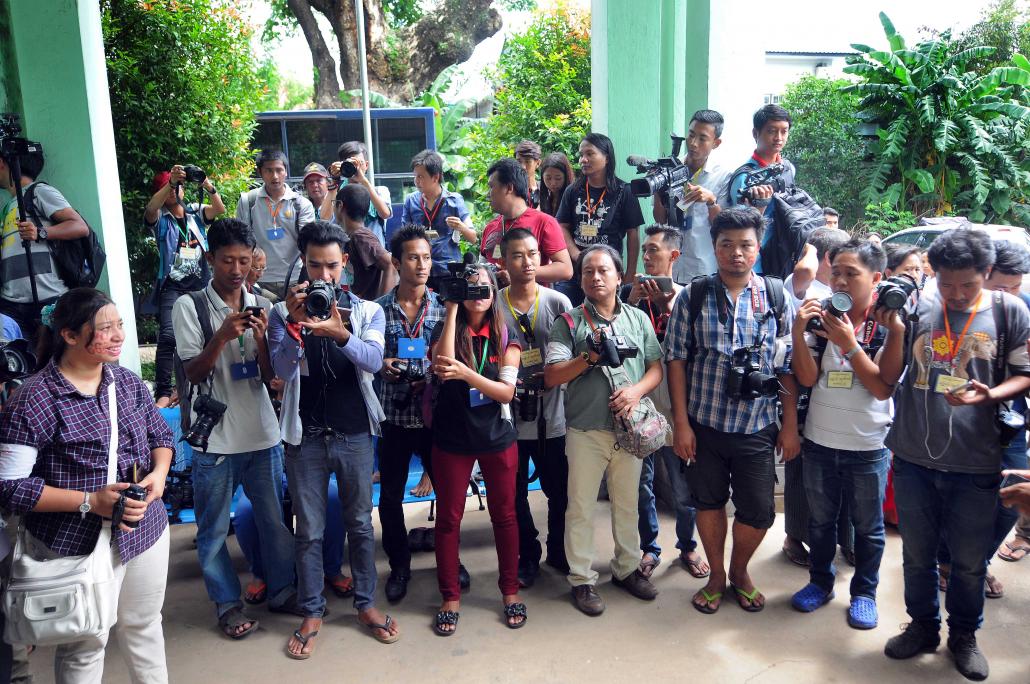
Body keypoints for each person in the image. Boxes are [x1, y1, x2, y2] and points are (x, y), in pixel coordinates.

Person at [0, 288, 173, 682]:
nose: (117, 336)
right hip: (71, 541)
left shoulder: (126, 384)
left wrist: (157, 477)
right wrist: (89, 501)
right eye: (104, 328)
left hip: (144, 530)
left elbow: (161, 438)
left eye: (119, 326)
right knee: (85, 641)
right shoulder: (36, 399)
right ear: (70, 335)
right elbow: (10, 487)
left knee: (144, 625)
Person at [881, 228, 1030, 681]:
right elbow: (889, 376)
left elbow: (1025, 374)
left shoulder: (1010, 312)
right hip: (913, 456)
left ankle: (964, 635)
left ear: (986, 273)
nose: (957, 293)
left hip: (977, 461)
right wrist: (892, 332)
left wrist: (990, 394)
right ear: (933, 273)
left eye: (968, 283)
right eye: (946, 283)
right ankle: (923, 627)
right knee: (916, 555)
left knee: (968, 562)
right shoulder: (917, 305)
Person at [268, 220, 399, 658]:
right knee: (309, 532)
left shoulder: (367, 311)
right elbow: (281, 373)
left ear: (345, 263)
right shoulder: (281, 312)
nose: (322, 277)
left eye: (331, 267)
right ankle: (311, 611)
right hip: (304, 438)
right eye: (314, 266)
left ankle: (365, 604)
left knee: (361, 525)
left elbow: (375, 360)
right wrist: (292, 324)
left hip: (356, 434)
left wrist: (341, 334)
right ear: (302, 263)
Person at [665, 206, 801, 615]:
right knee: (707, 502)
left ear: (758, 248)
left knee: (759, 511)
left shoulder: (777, 297)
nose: (736, 253)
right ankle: (717, 575)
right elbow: (675, 360)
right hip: (704, 424)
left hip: (757, 425)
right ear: (715, 247)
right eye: (727, 245)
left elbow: (788, 365)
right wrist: (681, 425)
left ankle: (740, 570)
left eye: (745, 245)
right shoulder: (694, 295)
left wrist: (790, 425)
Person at [172, 218, 296, 640]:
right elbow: (192, 370)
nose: (237, 269)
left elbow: (272, 378)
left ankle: (282, 591)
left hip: (263, 434)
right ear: (210, 259)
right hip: (215, 440)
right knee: (210, 530)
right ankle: (227, 604)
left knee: (274, 522)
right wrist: (222, 336)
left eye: (245, 260)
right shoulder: (188, 306)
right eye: (228, 260)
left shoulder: (263, 302)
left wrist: (261, 341)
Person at [544, 244, 664, 615]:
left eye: (603, 271)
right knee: (580, 507)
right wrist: (588, 357)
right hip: (585, 431)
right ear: (580, 279)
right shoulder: (568, 323)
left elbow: (656, 368)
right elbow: (551, 376)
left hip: (629, 430)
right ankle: (581, 580)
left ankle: (627, 569)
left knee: (627, 505)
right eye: (588, 272)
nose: (595, 277)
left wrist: (636, 391)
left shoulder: (638, 319)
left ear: (618, 276)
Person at [790, 239, 902, 629]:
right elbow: (805, 378)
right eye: (835, 271)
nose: (839, 280)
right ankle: (820, 584)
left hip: (869, 446)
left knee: (868, 530)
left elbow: (883, 387)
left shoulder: (890, 324)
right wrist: (798, 329)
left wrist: (850, 344)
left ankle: (864, 594)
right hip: (821, 440)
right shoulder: (820, 317)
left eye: (850, 274)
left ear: (877, 278)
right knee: (820, 523)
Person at [428, 264, 526, 635]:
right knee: (449, 520)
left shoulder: (505, 332)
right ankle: (450, 596)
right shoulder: (449, 325)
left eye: (485, 287)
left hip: (497, 436)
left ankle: (510, 591)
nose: (479, 294)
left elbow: (506, 392)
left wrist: (467, 374)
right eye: (471, 288)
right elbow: (441, 365)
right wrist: (452, 307)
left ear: (495, 290)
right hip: (452, 437)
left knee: (505, 516)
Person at [937, 240, 1030, 596]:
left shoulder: (1020, 310)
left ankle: (976, 564)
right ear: (984, 276)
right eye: (1001, 288)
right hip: (960, 423)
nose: (1010, 295)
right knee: (954, 499)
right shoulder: (950, 310)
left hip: (1010, 423)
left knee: (1009, 499)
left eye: (1016, 287)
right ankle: (947, 563)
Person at [621, 225, 709, 581]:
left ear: (674, 256)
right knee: (642, 486)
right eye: (644, 250)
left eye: (654, 250)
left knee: (683, 487)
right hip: (640, 405)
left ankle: (688, 546)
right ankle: (649, 548)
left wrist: (667, 305)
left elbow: (697, 345)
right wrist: (634, 302)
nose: (646, 256)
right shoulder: (631, 296)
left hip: (677, 408)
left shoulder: (691, 297)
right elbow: (619, 337)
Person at [498, 228, 573, 587]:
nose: (527, 263)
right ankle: (528, 555)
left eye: (532, 254)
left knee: (560, 492)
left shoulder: (558, 304)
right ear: (503, 260)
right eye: (517, 255)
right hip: (508, 421)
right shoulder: (494, 304)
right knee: (512, 497)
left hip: (553, 419)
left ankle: (558, 549)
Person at [375, 224, 445, 602]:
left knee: (448, 495)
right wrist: (383, 363)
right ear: (396, 262)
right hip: (393, 419)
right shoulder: (377, 310)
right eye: (414, 257)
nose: (422, 265)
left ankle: (450, 561)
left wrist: (431, 375)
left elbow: (454, 356)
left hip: (434, 418)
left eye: (427, 257)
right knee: (389, 499)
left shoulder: (443, 307)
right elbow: (366, 359)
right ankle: (399, 566)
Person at [781, 226, 851, 568]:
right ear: (826, 259)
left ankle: (847, 541)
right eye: (837, 268)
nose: (843, 279)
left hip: (846, 400)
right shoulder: (806, 291)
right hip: (805, 392)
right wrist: (811, 243)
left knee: (842, 476)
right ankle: (794, 536)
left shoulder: (857, 296)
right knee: (800, 472)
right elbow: (804, 270)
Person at [145, 165, 223, 407]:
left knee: (205, 335)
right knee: (168, 336)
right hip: (173, 285)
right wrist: (169, 183)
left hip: (200, 282)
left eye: (176, 187)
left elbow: (219, 209)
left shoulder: (194, 213)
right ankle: (163, 392)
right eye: (166, 188)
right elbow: (150, 209)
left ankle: (194, 386)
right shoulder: (161, 219)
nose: (172, 192)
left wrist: (207, 185)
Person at [0, 145, 89, 342]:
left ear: (2, 163)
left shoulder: (38, 191)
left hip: (47, 299)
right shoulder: (8, 206)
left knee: (48, 363)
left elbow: (79, 226)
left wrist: (40, 232)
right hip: (11, 303)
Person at [556, 133, 645, 306]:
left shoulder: (624, 191)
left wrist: (630, 272)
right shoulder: (573, 190)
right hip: (575, 271)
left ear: (606, 158)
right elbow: (561, 225)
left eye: (590, 154)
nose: (583, 159)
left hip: (606, 271)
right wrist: (575, 253)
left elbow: (633, 234)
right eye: (581, 155)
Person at [652, 109, 731, 285]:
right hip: (671, 266)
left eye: (702, 138)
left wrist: (711, 201)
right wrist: (658, 190)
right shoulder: (669, 170)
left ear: (716, 143)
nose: (694, 143)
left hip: (703, 268)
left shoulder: (723, 176)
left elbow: (723, 227)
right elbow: (660, 220)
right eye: (691, 135)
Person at [480, 158, 573, 287]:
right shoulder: (490, 227)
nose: (487, 194)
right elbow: (482, 266)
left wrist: (519, 273)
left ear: (509, 188)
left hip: (532, 304)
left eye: (491, 187)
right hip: (495, 304)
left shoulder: (544, 222)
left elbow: (565, 269)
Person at [235, 149, 316, 296]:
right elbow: (240, 240)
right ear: (260, 172)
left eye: (279, 170)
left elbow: (309, 244)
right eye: (269, 171)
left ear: (286, 171)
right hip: (258, 278)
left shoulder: (301, 204)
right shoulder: (248, 201)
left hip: (294, 278)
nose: (275, 176)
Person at [400, 149, 477, 288]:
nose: (416, 181)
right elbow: (404, 236)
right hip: (421, 270)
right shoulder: (411, 201)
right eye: (415, 176)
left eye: (421, 177)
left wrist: (461, 227)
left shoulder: (454, 200)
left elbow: (473, 237)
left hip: (448, 269)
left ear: (435, 177)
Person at [728, 104, 795, 209]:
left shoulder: (788, 168)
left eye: (784, 132)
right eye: (772, 131)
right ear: (755, 133)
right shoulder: (744, 178)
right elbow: (741, 224)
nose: (779, 138)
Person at [327, 141, 394, 246]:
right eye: (350, 164)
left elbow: (385, 214)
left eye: (359, 163)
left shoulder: (379, 191)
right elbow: (325, 218)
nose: (355, 168)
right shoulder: (338, 191)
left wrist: (363, 181)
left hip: (374, 253)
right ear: (342, 165)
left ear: (366, 165)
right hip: (347, 254)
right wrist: (334, 181)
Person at [335, 184, 395, 299]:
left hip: (370, 311)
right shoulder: (354, 236)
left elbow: (390, 264)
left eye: (334, 203)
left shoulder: (361, 237)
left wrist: (381, 305)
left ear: (340, 205)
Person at [539, 152, 575, 219]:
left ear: (566, 177)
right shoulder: (543, 197)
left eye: (558, 178)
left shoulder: (574, 197)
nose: (553, 183)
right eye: (548, 178)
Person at [514, 140, 542, 209]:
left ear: (538, 163)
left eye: (528, 161)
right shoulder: (511, 190)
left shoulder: (546, 189)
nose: (523, 166)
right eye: (519, 161)